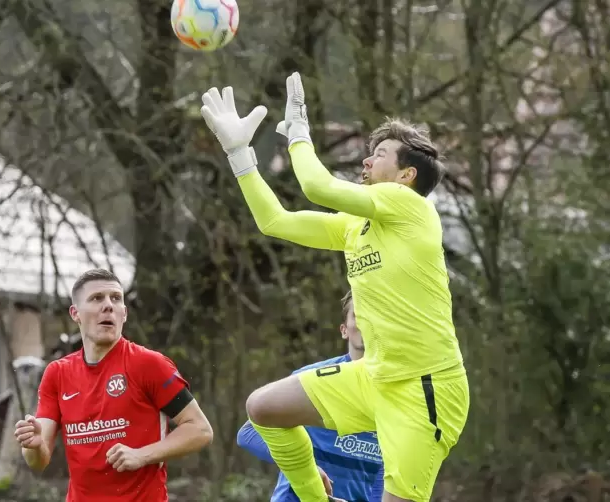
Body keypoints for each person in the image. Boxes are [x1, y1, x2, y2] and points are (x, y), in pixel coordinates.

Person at [199, 73, 470, 502]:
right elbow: (275, 221)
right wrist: (239, 154)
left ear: (406, 175)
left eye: (378, 154)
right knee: (265, 409)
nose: (366, 162)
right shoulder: (355, 227)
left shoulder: (410, 207)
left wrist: (300, 131)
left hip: (424, 389)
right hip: (374, 377)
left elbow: (316, 186)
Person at [13, 268, 214, 502]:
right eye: (97, 298)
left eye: (116, 298)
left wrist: (142, 455)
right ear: (75, 313)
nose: (108, 305)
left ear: (124, 313)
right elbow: (38, 462)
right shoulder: (57, 373)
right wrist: (34, 446)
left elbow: (200, 429)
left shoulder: (149, 365)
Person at [237, 290, 384, 502]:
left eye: (375, 316)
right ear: (344, 330)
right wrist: (306, 468)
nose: (366, 322)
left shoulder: (396, 391)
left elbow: (384, 467)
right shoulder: (310, 379)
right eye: (359, 315)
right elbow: (248, 433)